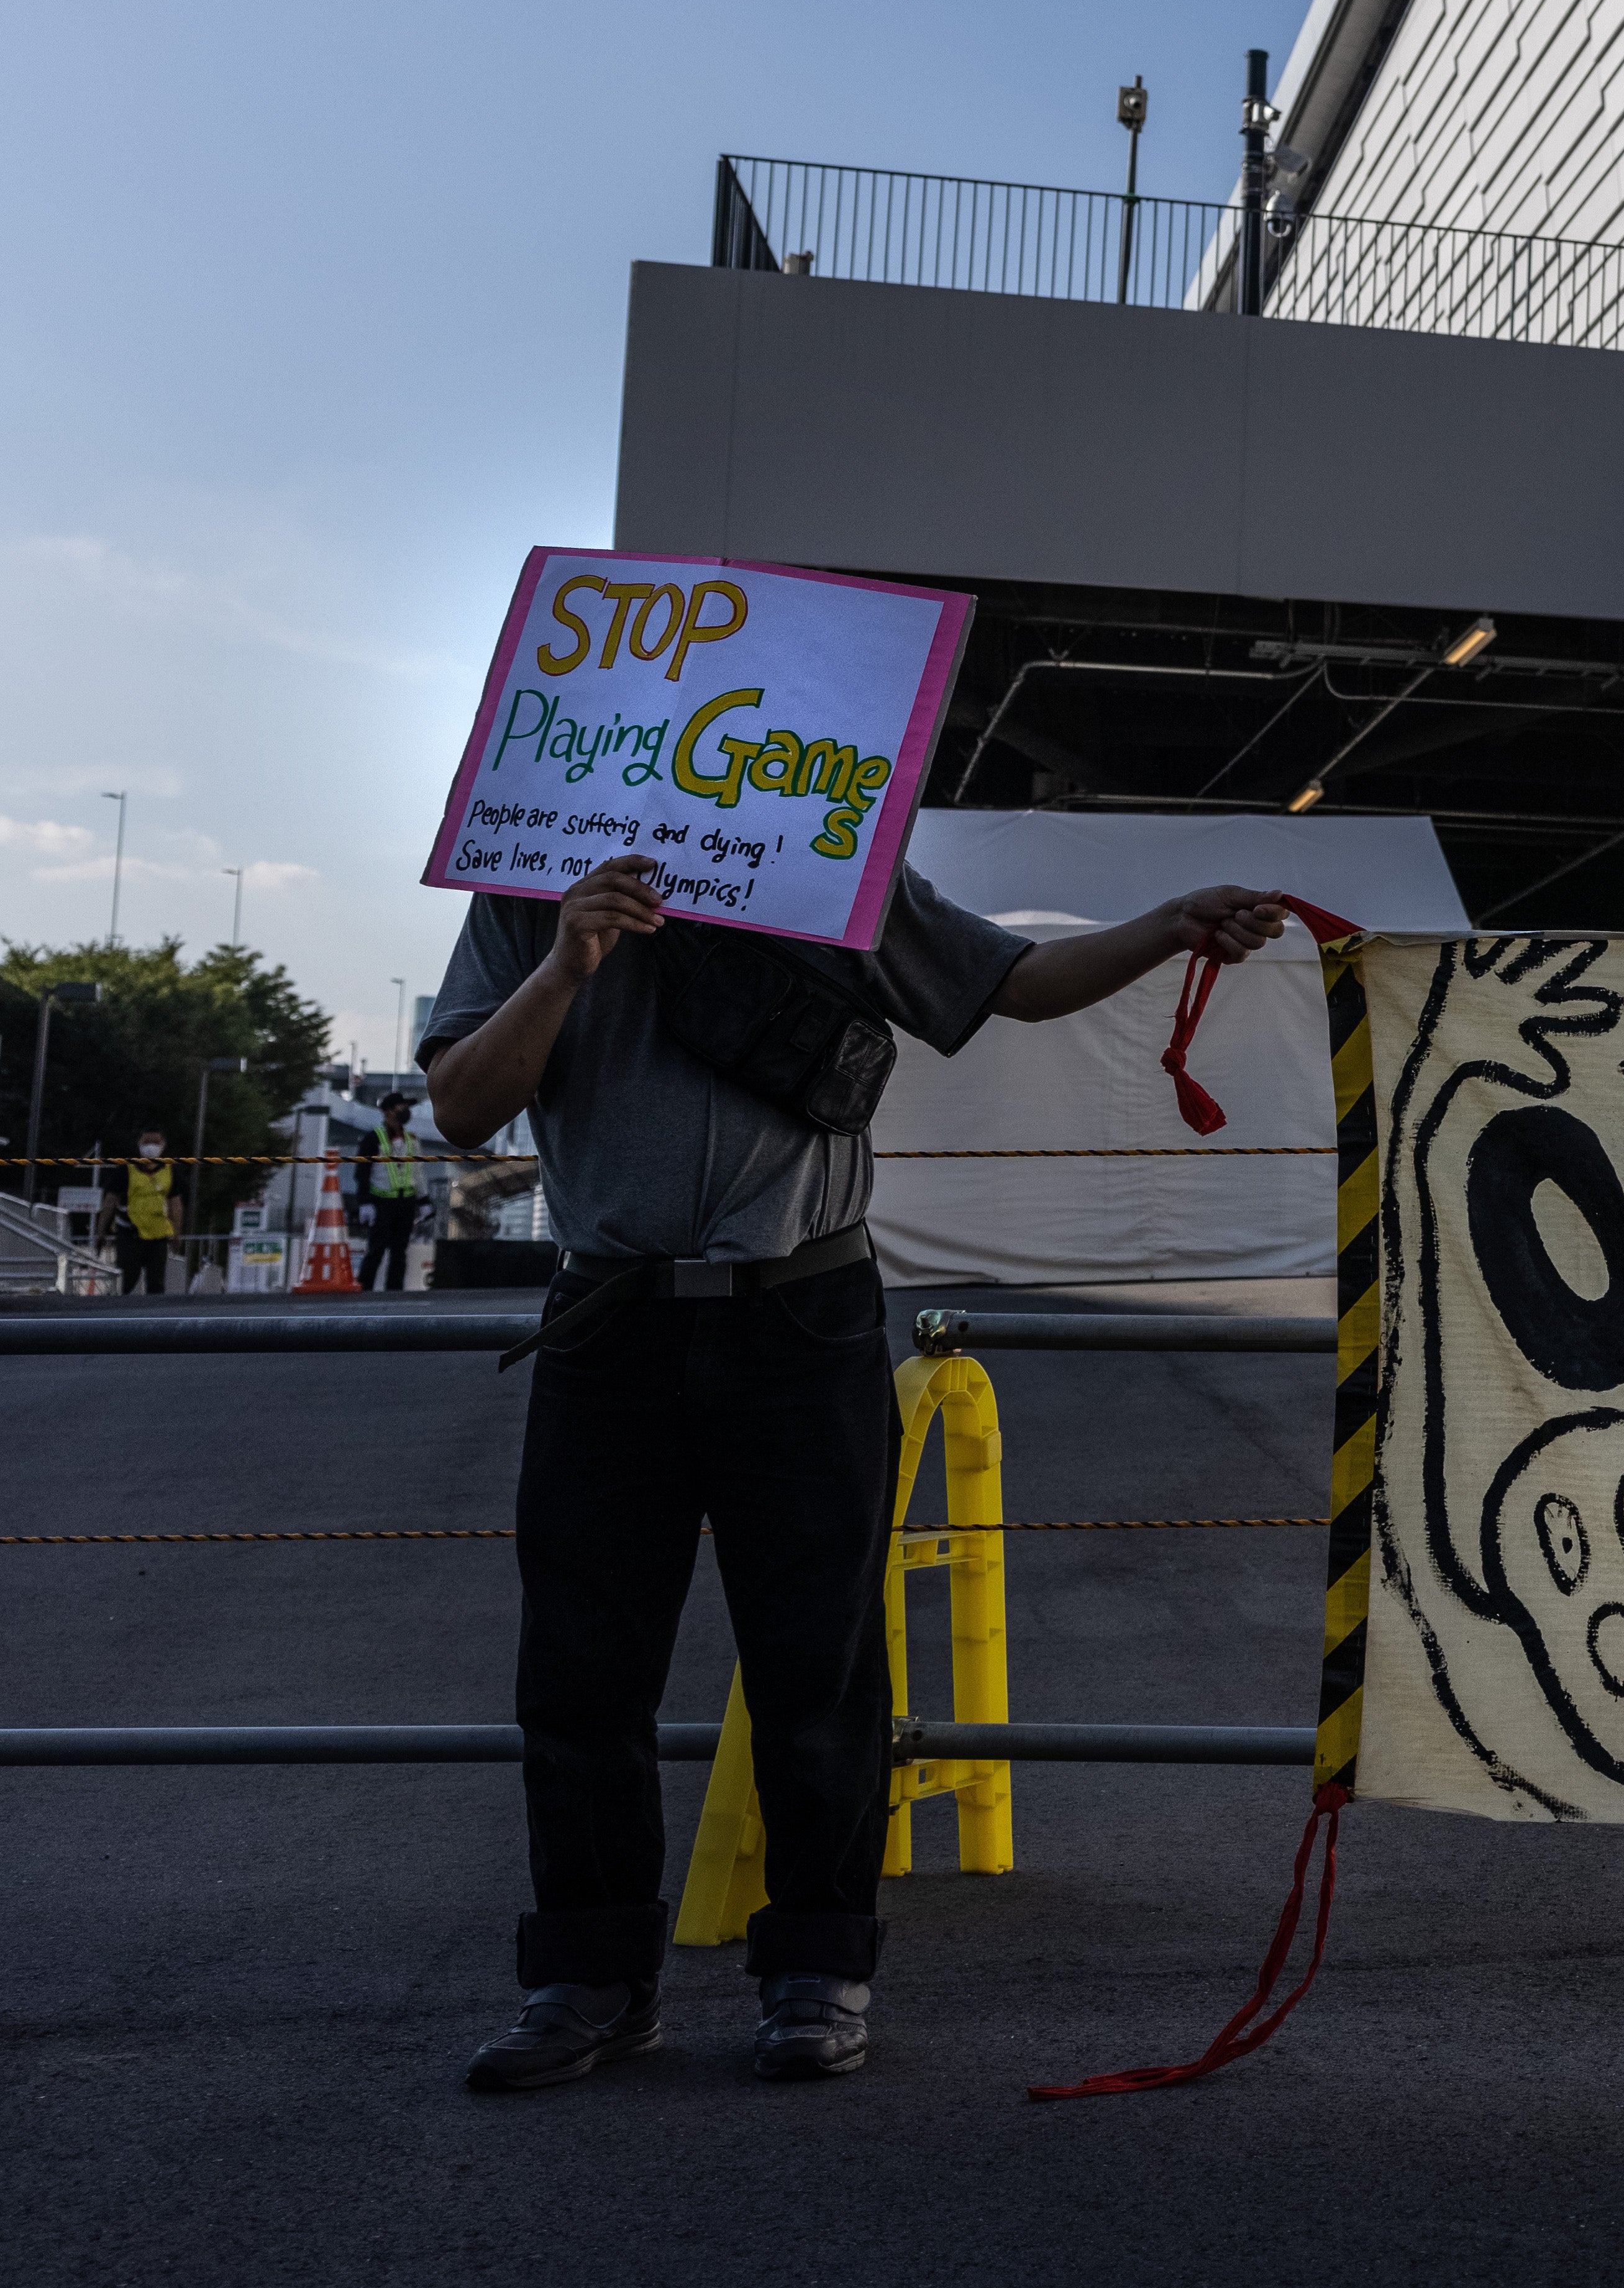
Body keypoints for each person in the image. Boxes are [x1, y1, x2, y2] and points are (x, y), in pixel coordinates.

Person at [419, 850, 1289, 2092]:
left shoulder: (828, 859)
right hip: (610, 1313)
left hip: (802, 1304)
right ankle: (588, 1977)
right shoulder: (527, 886)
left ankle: (818, 1968)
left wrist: (1167, 923)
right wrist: (567, 963)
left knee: (816, 1657)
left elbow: (1018, 983)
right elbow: (460, 1107)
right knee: (578, 1666)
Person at [364, 1106, 424, 1293]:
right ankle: (365, 1288)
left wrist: (424, 1200)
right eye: (398, 1107)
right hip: (382, 1201)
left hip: (406, 1201)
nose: (403, 1111)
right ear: (388, 1113)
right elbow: (362, 1172)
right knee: (377, 1248)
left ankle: (395, 1291)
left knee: (400, 1250)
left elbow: (418, 1172)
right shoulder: (374, 1138)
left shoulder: (411, 1139)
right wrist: (365, 1202)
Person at [117, 1134, 176, 1298]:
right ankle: (117, 1317)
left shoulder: (169, 1170)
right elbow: (110, 1200)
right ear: (139, 1144)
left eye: (156, 1143)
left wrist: (177, 1233)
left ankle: (155, 1319)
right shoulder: (127, 1169)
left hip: (158, 1236)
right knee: (125, 1283)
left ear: (163, 1145)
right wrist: (102, 1229)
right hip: (130, 1233)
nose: (151, 1147)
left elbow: (175, 1204)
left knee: (156, 1286)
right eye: (147, 1142)